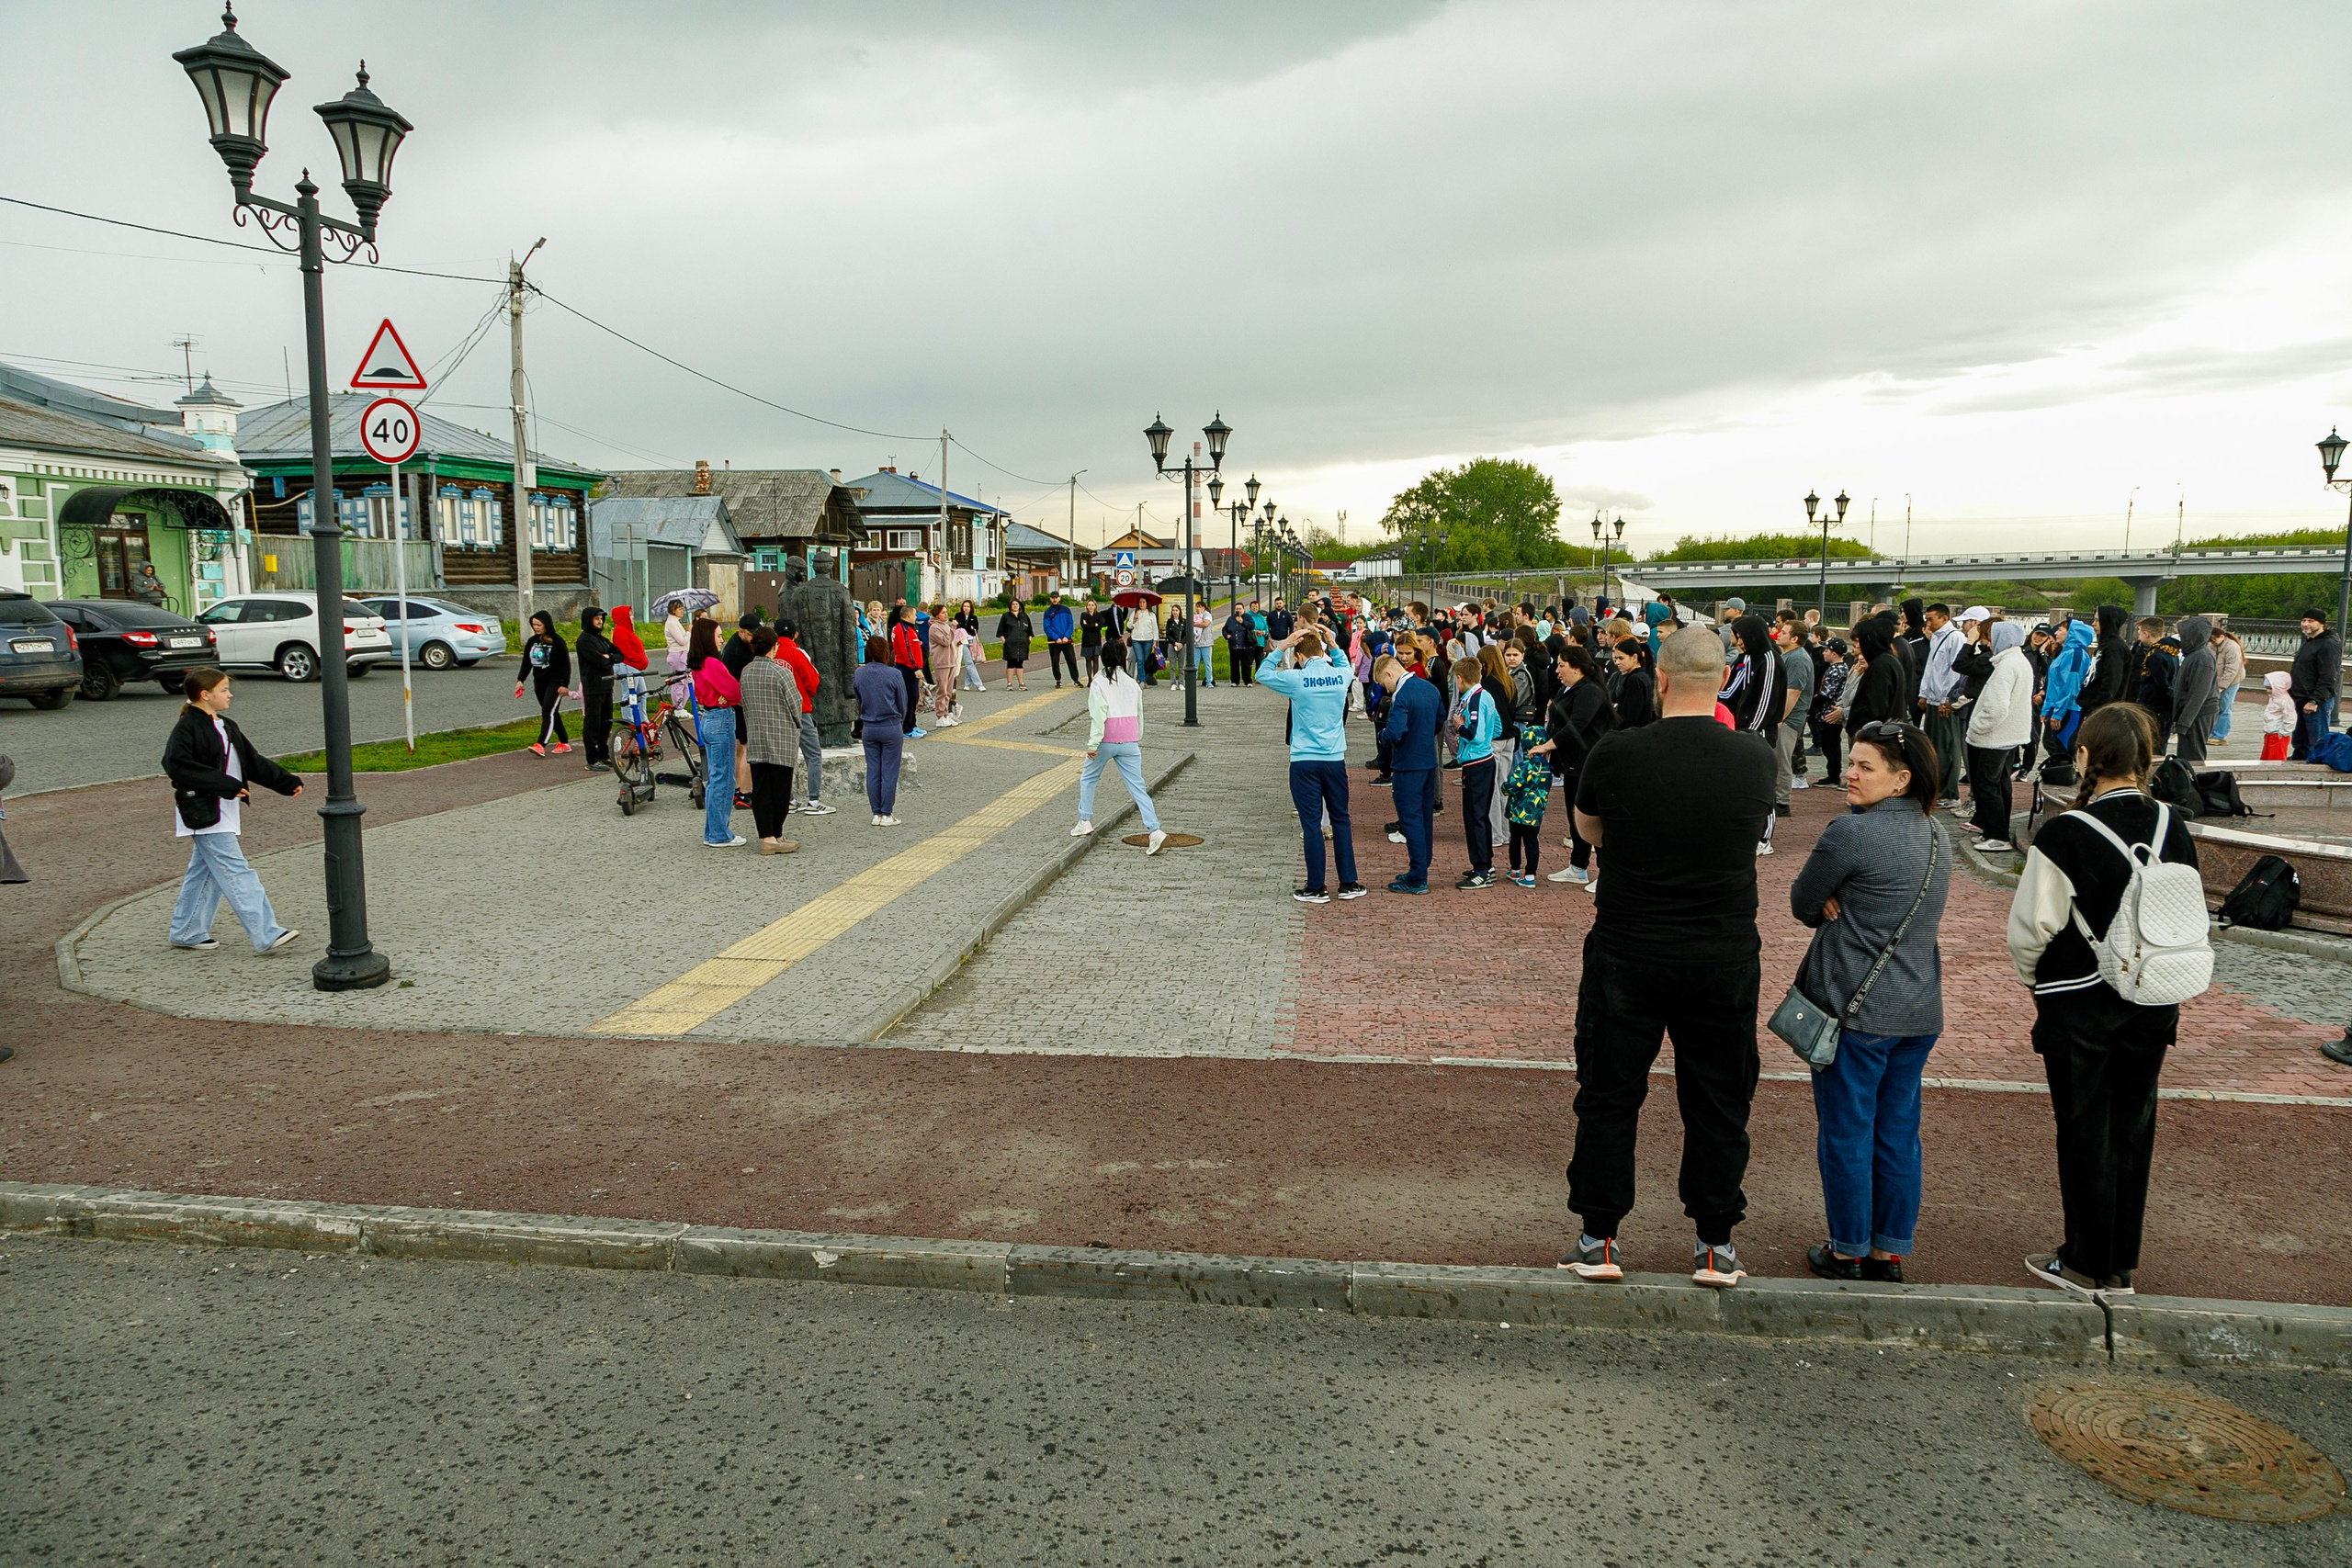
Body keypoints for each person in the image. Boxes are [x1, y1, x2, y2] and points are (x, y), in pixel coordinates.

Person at [1564, 626, 1777, 1289]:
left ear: (1659, 677)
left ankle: (1600, 1237)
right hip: (1722, 950)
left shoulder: (1618, 751)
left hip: (1630, 944)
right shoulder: (1755, 758)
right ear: (1721, 679)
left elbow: (1587, 828)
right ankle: (1715, 1242)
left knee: (1609, 1090)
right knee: (1718, 1096)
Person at [2007, 703, 2200, 1295]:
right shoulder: (2173, 822)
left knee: (2084, 1127)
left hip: (2081, 1002)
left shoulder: (2067, 831)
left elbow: (2031, 929)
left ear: (2086, 757)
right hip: (2156, 996)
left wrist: (2037, 981)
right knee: (2133, 1126)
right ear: (2147, 758)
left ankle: (2085, 1258)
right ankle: (2120, 1260)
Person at [1788, 720, 1951, 1284]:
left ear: (1901, 779)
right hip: (1918, 1005)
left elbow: (1803, 901)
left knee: (1846, 1129)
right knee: (1898, 1132)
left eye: (1865, 767)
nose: (1851, 774)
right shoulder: (1938, 834)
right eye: (1850, 762)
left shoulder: (1849, 832)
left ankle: (1848, 1248)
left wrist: (1833, 898)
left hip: (1856, 1008)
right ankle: (1889, 1250)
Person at [163, 668, 302, 954]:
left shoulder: (226, 725)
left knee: (205, 872)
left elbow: (251, 760)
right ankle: (266, 933)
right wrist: (225, 785)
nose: (230, 694)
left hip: (222, 809)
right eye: (224, 689)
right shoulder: (187, 727)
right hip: (203, 811)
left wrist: (286, 783)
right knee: (236, 870)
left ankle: (187, 930)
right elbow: (176, 765)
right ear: (205, 695)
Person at [1258, 629, 1363, 902]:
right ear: (1323, 651)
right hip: (1334, 759)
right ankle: (1349, 882)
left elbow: (1262, 674)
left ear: (1299, 655)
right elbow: (1344, 665)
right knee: (1340, 819)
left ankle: (1316, 886)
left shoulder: (1297, 678)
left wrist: (1282, 647)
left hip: (1304, 759)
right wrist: (1334, 644)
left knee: (1311, 824)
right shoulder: (1340, 676)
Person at [1072, 638, 1167, 852]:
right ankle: (1154, 830)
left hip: (1106, 738)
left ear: (1103, 658)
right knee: (1137, 787)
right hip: (1130, 739)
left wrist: (1092, 743)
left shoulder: (1098, 682)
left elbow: (1098, 714)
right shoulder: (1132, 682)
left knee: (1088, 777)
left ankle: (1084, 820)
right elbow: (1140, 712)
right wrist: (1137, 736)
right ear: (1123, 657)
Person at [1536, 644, 1613, 887]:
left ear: (1577, 668)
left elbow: (1576, 725)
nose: (1557, 670)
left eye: (1561, 665)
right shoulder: (1568, 689)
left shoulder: (1590, 691)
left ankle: (1606, 874)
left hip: (1589, 763)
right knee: (1575, 817)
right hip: (1572, 765)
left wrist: (1548, 746)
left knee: (1593, 819)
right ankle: (1578, 867)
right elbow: (1558, 722)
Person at [1374, 653, 1443, 893]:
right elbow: (1439, 720)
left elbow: (1395, 731)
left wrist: (1383, 737)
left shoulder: (1401, 695)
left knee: (1410, 819)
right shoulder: (1429, 689)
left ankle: (1417, 877)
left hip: (1407, 765)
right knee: (1424, 818)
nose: (1386, 689)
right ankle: (1420, 868)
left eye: (1384, 683)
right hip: (1428, 762)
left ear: (1389, 674)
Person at [1963, 621, 2033, 852]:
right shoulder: (2019, 661)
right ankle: (1993, 830)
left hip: (1995, 736)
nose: (1988, 643)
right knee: (2001, 784)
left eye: (1992, 638)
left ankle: (1997, 835)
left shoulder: (2006, 666)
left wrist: (1977, 727)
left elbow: (1997, 707)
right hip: (2010, 735)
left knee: (1987, 784)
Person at [739, 626, 803, 855]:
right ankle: (775, 834)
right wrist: (797, 725)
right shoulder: (781, 672)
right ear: (773, 647)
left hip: (756, 736)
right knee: (781, 790)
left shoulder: (746, 671)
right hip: (781, 738)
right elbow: (796, 705)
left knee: (762, 789)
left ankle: (768, 835)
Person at [1449, 656, 1503, 890]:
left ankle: (1482, 868)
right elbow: (1498, 726)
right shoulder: (1484, 696)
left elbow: (1475, 734)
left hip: (1476, 763)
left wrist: (1460, 726)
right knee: (1478, 815)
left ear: (1460, 678)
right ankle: (1484, 863)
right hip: (1482, 760)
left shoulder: (1475, 699)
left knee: (1475, 817)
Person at [689, 619, 744, 848]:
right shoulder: (713, 663)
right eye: (718, 635)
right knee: (723, 777)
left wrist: (727, 696)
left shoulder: (699, 663)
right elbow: (735, 690)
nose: (722, 639)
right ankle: (719, 833)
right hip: (721, 718)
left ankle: (712, 831)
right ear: (708, 638)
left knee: (714, 777)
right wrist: (729, 697)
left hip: (708, 718)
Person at [774, 619, 832, 816]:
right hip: (801, 709)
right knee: (813, 755)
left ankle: (788, 799)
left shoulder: (770, 653)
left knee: (784, 757)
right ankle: (814, 801)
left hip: (777, 712)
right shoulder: (797, 653)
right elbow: (813, 680)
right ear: (795, 634)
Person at [853, 635, 910, 823]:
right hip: (891, 724)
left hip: (869, 726)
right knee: (889, 770)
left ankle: (876, 813)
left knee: (873, 769)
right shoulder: (894, 674)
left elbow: (859, 700)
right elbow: (903, 704)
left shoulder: (859, 673)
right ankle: (887, 813)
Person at [1914, 603, 1966, 807]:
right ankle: (1937, 789)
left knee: (1947, 746)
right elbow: (1931, 668)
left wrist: (1948, 699)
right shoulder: (1935, 638)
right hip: (1934, 700)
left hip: (1945, 702)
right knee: (1933, 747)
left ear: (1944, 619)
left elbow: (1955, 672)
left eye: (1931, 618)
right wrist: (1924, 693)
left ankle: (1950, 793)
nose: (1928, 623)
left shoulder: (1956, 638)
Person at [514, 611, 573, 757]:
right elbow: (527, 662)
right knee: (551, 712)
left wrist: (565, 684)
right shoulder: (532, 641)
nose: (536, 628)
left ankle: (541, 744)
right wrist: (520, 680)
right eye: (534, 625)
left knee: (547, 711)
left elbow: (566, 664)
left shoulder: (558, 641)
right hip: (539, 682)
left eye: (539, 625)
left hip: (555, 683)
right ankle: (564, 743)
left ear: (546, 624)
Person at [2288, 609, 2340, 761]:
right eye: (2303, 621)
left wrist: (2315, 700)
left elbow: (2328, 675)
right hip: (2301, 698)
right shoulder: (2309, 641)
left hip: (2315, 700)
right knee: (2300, 739)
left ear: (2322, 624)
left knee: (2317, 741)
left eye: (2311, 621)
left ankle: (2317, 771)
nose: (2305, 624)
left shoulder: (2328, 644)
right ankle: (2297, 765)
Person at [574, 606, 621, 772]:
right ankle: (592, 759)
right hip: (593, 686)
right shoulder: (584, 640)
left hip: (607, 686)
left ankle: (603, 754)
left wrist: (609, 657)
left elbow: (619, 654)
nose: (600, 621)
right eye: (596, 619)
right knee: (592, 724)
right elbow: (598, 661)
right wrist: (608, 658)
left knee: (606, 723)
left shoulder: (601, 639)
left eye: (601, 619)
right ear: (589, 620)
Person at [1775, 618, 1815, 806]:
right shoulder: (1788, 656)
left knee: (1782, 760)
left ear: (1794, 638)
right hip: (1785, 717)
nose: (1779, 634)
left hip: (1789, 719)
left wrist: (1780, 718)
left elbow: (1794, 691)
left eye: (1784, 632)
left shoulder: (1798, 658)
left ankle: (1782, 801)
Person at [2168, 615, 2219, 763]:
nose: (2180, 638)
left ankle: (2194, 783)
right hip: (2193, 714)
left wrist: (2184, 723)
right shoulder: (2194, 654)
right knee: (2186, 754)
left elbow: (2198, 695)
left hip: (2199, 714)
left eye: (2183, 635)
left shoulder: (2203, 658)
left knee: (2193, 757)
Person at [2131, 617, 2177, 736]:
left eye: (2140, 634)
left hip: (2155, 707)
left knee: (2154, 744)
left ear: (2146, 634)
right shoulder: (2172, 652)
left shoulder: (2155, 655)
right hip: (2166, 708)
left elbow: (2162, 684)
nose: (2139, 638)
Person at [1810, 637, 1848, 780]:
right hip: (1827, 712)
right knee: (1830, 743)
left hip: (1830, 713)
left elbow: (1826, 694)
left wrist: (1813, 703)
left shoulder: (1836, 670)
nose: (1824, 653)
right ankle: (1833, 772)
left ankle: (1833, 774)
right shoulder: (1837, 668)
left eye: (1827, 650)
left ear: (1834, 653)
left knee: (1830, 744)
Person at [888, 604, 927, 738]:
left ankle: (912, 724)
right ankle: (906, 728)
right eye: (915, 615)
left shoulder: (909, 629)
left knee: (914, 697)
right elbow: (906, 650)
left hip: (910, 667)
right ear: (909, 615)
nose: (916, 617)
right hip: (906, 668)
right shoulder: (902, 629)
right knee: (909, 698)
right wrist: (915, 667)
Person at [2210, 624, 2246, 743]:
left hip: (2232, 682)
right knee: (2214, 707)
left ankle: (2220, 735)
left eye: (2214, 639)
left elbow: (2231, 670)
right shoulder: (2212, 646)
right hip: (2216, 680)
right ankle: (2211, 732)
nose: (2211, 641)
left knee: (2224, 707)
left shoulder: (2232, 647)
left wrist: (2221, 686)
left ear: (2221, 637)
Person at [1610, 637, 1656, 730]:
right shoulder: (1645, 675)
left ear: (1634, 657)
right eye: (1616, 658)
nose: (1617, 662)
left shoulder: (1635, 679)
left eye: (1621, 658)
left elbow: (1629, 715)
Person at [1041, 592, 1080, 688]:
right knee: (1055, 661)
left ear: (1059, 598)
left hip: (1066, 640)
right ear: (1050, 599)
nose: (1055, 599)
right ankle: (1058, 680)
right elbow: (1047, 627)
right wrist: (1056, 638)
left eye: (1056, 597)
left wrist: (1066, 636)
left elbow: (1070, 624)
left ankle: (1076, 679)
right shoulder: (1047, 612)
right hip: (1054, 641)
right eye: (1053, 598)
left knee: (1071, 659)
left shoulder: (1066, 610)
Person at [997, 599, 1035, 691]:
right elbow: (1000, 631)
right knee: (1011, 663)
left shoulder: (1024, 616)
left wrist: (1028, 640)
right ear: (1010, 606)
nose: (1015, 606)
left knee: (1020, 663)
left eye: (1016, 604)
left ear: (1020, 605)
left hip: (1022, 644)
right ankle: (1009, 683)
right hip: (1010, 644)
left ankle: (1021, 683)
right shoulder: (1006, 616)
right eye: (1013, 604)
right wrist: (1004, 640)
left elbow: (1030, 630)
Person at [1125, 597, 1161, 687]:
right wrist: (1134, 620)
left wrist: (1155, 641)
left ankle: (1144, 679)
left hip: (1148, 639)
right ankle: (1141, 680)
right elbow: (1129, 626)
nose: (1142, 604)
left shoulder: (1151, 614)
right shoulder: (1134, 613)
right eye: (1140, 602)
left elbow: (1155, 628)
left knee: (1145, 660)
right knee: (1140, 660)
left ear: (1146, 603)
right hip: (1136, 640)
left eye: (1143, 602)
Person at [2260, 670, 2296, 761]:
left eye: (2270, 688)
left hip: (2278, 734)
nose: (2268, 691)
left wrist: (2283, 732)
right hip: (2270, 732)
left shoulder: (2285, 700)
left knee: (2276, 758)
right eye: (2267, 688)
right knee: (2266, 757)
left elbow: (2290, 718)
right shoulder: (2273, 698)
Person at [955, 599, 987, 691]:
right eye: (964, 606)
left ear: (971, 608)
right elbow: (959, 629)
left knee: (972, 662)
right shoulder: (958, 615)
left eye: (968, 606)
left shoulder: (974, 617)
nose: (966, 608)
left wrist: (966, 627)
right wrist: (968, 627)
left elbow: (974, 631)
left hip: (972, 642)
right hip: (962, 641)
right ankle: (979, 684)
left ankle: (967, 684)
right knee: (969, 662)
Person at [1223, 603, 1258, 687]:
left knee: (1246, 664)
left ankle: (1248, 681)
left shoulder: (1248, 617)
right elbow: (1225, 628)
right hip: (1233, 645)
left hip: (1245, 644)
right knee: (1234, 664)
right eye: (1237, 609)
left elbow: (1252, 626)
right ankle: (1235, 681)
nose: (1238, 610)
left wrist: (1242, 622)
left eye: (1240, 609)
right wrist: (1226, 635)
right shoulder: (1231, 619)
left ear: (1243, 609)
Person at [1080, 600, 1110, 682]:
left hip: (1096, 640)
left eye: (1092, 605)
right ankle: (1090, 679)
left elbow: (1099, 627)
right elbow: (1083, 626)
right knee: (1088, 659)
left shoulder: (1099, 615)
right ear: (1086, 606)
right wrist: (1094, 625)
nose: (1091, 607)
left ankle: (1095, 678)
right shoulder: (1083, 615)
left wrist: (1089, 625)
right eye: (1089, 605)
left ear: (1095, 606)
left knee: (1096, 658)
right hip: (1086, 640)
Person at [1191, 604, 1217, 688]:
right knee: (1195, 663)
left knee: (1207, 663)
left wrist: (1194, 624)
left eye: (1199, 607)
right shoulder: (1195, 615)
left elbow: (1205, 624)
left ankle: (1209, 681)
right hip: (1196, 643)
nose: (1197, 608)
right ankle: (1193, 680)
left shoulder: (1207, 615)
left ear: (1203, 607)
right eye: (1196, 607)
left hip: (1206, 643)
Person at [662, 602, 692, 673]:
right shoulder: (672, 623)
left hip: (680, 654)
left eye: (683, 609)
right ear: (673, 610)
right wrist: (688, 631)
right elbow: (682, 641)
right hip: (678, 655)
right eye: (680, 609)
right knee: (680, 681)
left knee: (683, 680)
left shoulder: (675, 621)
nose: (682, 611)